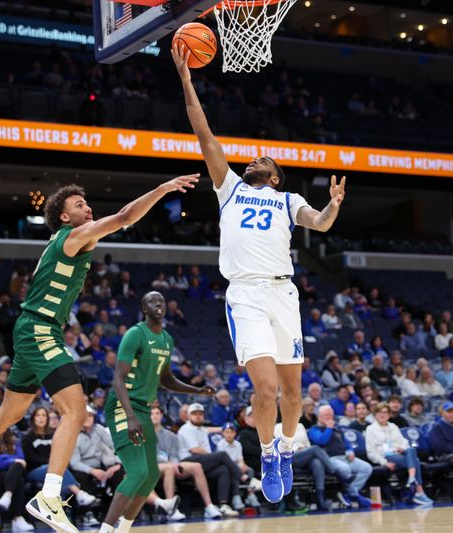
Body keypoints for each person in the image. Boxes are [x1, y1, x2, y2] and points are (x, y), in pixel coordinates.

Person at [0, 176, 198, 533]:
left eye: (86, 203)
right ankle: (49, 496)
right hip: (39, 328)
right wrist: (162, 190)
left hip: (33, 328)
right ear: (65, 218)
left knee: (11, 411)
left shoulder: (68, 239)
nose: (87, 207)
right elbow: (124, 216)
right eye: (78, 205)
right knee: (75, 409)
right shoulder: (73, 237)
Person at [174, 44, 346, 505]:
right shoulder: (228, 187)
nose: (254, 160)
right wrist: (187, 79)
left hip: (283, 295)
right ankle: (269, 453)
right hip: (246, 294)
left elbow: (321, 223)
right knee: (266, 388)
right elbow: (203, 131)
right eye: (252, 159)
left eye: (262, 162)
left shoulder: (289, 201)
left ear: (275, 178)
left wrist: (332, 205)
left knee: (294, 392)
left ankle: (288, 448)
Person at [99, 292, 218, 533]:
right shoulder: (135, 334)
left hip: (143, 409)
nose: (158, 305)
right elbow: (118, 379)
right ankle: (106, 529)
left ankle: (124, 528)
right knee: (138, 471)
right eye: (152, 302)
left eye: (162, 301)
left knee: (152, 474)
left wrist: (196, 390)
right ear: (144, 307)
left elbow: (166, 379)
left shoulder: (166, 339)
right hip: (124, 406)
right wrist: (130, 416)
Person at [150, 405, 224, 519]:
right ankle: (171, 509)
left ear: (161, 416)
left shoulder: (170, 435)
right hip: (154, 465)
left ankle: (209, 506)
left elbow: (174, 454)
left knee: (197, 466)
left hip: (172, 463)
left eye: (157, 413)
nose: (154, 416)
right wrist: (170, 463)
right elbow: (150, 455)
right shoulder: (144, 434)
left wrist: (174, 462)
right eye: (152, 414)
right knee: (169, 468)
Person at [177, 404, 243, 516]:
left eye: (200, 414)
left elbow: (214, 429)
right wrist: (213, 457)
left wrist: (226, 427)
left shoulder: (202, 429)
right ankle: (244, 478)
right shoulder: (185, 429)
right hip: (187, 462)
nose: (198, 416)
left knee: (223, 469)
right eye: (194, 414)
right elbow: (194, 449)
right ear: (188, 416)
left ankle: (222, 504)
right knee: (221, 455)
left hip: (201, 463)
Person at [21, 407, 95, 506]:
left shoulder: (52, 435)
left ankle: (63, 510)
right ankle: (79, 493)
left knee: (58, 472)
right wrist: (52, 462)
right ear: (33, 418)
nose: (41, 418)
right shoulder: (27, 437)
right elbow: (30, 458)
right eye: (38, 415)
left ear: (47, 418)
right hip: (34, 471)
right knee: (56, 469)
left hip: (52, 469)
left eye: (43, 415)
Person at [365, 402, 433, 505]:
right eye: (380, 412)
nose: (382, 415)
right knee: (416, 460)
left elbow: (404, 442)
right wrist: (384, 462)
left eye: (385, 412)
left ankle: (411, 478)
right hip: (386, 456)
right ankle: (419, 491)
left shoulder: (394, 427)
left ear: (389, 414)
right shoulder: (370, 429)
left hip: (400, 454)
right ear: (375, 414)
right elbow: (370, 452)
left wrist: (402, 448)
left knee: (411, 450)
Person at [308, 405, 373, 507]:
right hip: (329, 459)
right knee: (345, 469)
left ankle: (350, 493)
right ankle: (353, 494)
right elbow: (321, 441)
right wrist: (329, 429)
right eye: (326, 415)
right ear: (319, 416)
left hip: (345, 457)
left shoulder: (338, 428)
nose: (329, 417)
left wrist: (350, 452)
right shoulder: (314, 429)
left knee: (366, 468)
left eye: (330, 415)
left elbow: (347, 444)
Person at [0, 430, 34, 532]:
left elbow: (22, 460)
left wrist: (0, 459)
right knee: (19, 480)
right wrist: (11, 460)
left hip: (15, 471)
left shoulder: (14, 441)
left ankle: (8, 494)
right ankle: (17, 519)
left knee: (17, 468)